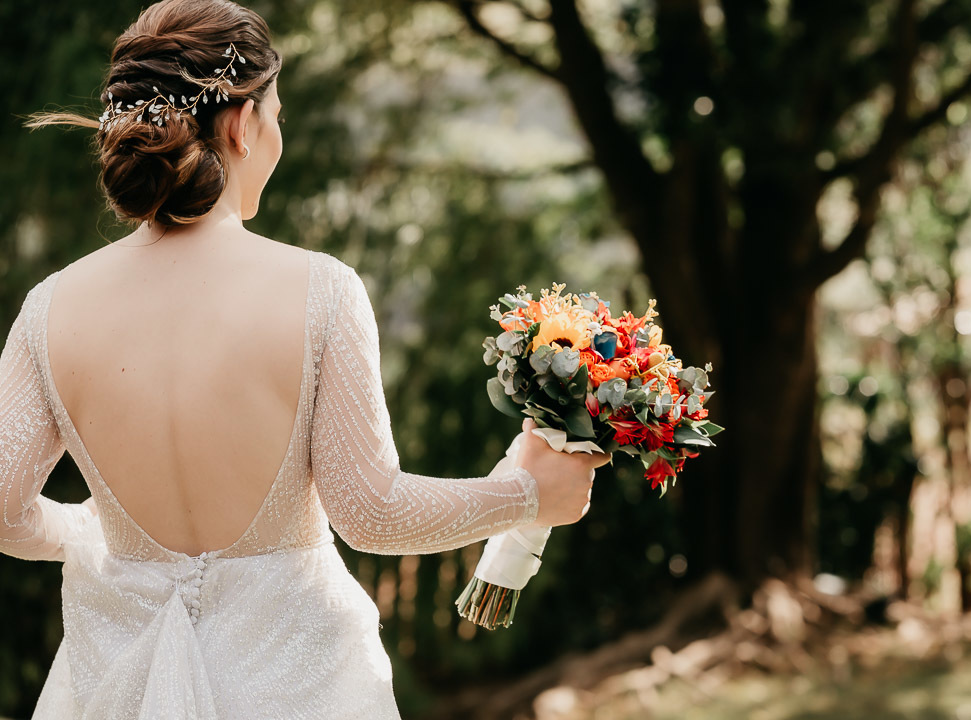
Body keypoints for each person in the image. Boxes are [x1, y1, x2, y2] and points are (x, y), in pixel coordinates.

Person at [2, 1, 610, 717]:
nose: (277, 134)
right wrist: (529, 496)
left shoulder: (50, 308)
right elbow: (371, 514)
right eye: (276, 114)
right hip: (300, 689)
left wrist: (86, 528)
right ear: (240, 124)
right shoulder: (320, 291)